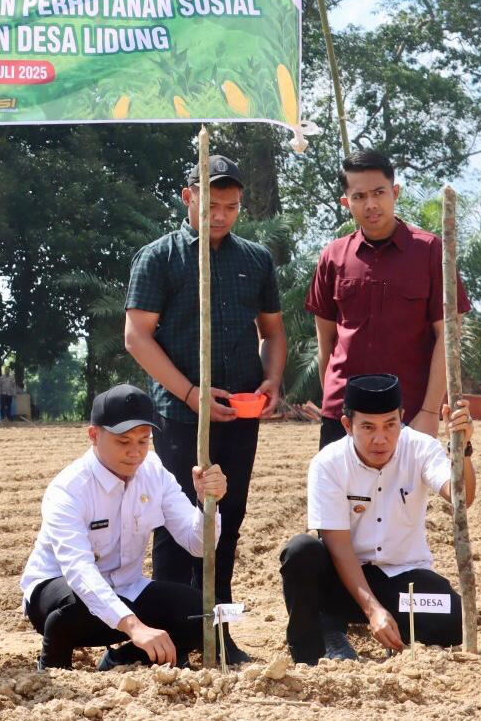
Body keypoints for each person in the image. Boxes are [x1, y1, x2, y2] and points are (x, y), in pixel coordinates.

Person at [124, 155, 286, 664]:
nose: (220, 215)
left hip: (239, 415)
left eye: (231, 207)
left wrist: (272, 379)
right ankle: (171, 636)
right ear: (187, 196)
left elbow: (273, 331)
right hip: (178, 417)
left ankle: (219, 633)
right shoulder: (159, 258)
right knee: (175, 522)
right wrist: (191, 394)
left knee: (227, 521)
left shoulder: (255, 260)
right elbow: (136, 337)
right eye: (211, 204)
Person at [21, 384, 226, 670]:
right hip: (61, 593)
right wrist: (134, 626)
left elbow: (199, 545)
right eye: (123, 441)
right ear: (94, 435)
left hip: (127, 588)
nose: (135, 452)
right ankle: (52, 667)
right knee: (75, 604)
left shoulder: (154, 472)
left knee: (204, 613)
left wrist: (207, 503)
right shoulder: (68, 488)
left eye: (143, 441)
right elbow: (78, 570)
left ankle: (121, 660)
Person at [279, 374, 475, 663]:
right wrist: (373, 610)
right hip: (344, 579)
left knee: (453, 617)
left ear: (402, 418)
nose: (381, 439)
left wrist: (463, 450)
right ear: (348, 425)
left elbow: (462, 497)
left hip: (403, 580)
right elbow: (339, 546)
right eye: (368, 427)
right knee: (301, 552)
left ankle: (394, 629)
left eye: (390, 425)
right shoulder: (328, 464)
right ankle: (320, 639)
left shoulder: (421, 448)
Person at [307, 150, 471, 449]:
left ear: (395, 192)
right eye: (359, 197)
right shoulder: (333, 256)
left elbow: (448, 337)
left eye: (379, 192)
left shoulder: (431, 252)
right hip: (343, 417)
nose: (370, 204)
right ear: (346, 202)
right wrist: (333, 401)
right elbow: (326, 342)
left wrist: (429, 412)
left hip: (408, 415)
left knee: (410, 485)